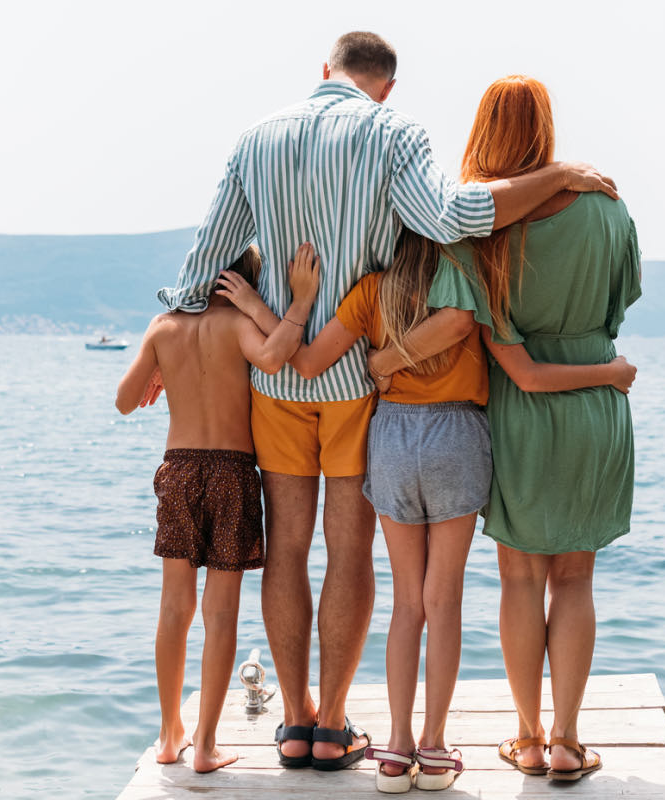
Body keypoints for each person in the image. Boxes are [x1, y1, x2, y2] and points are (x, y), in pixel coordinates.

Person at [156, 30, 618, 771]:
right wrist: (561, 173)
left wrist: (170, 346)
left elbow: (206, 259)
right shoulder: (394, 132)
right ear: (386, 86)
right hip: (360, 383)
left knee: (285, 552)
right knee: (349, 552)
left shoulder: (256, 138)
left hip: (281, 378)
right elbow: (454, 220)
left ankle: (297, 720)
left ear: (325, 71)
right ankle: (336, 722)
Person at [222, 236, 633, 791]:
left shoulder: (372, 290)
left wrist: (257, 306)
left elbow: (307, 361)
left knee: (406, 604)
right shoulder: (467, 287)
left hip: (392, 435)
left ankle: (397, 750)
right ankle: (436, 749)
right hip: (458, 435)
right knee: (445, 601)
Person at [367, 75, 642, 783]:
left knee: (519, 578)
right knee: (576, 578)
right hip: (596, 397)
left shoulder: (480, 224)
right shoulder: (608, 208)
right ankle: (568, 743)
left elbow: (462, 323)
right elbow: (622, 299)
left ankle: (525, 737)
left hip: (520, 409)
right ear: (547, 128)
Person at [116, 245, 320, 773]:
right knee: (220, 612)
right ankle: (205, 745)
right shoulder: (236, 324)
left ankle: (168, 736)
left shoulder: (163, 328)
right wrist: (296, 305)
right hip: (231, 471)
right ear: (245, 280)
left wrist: (159, 368)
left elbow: (123, 399)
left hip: (180, 469)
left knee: (173, 608)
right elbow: (275, 357)